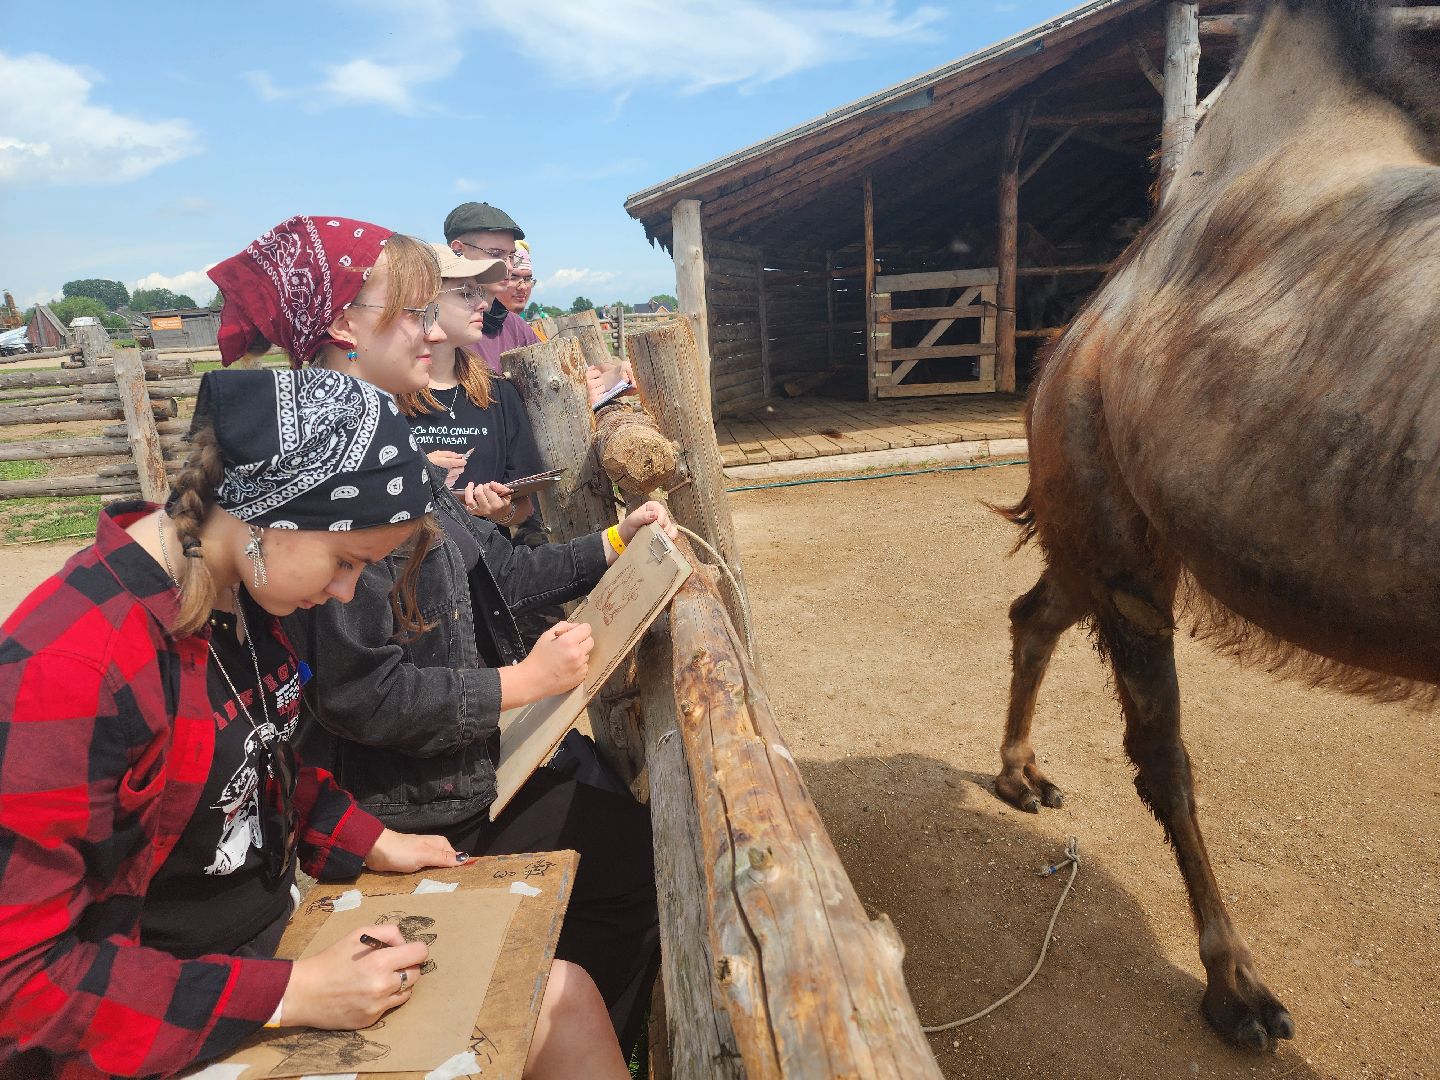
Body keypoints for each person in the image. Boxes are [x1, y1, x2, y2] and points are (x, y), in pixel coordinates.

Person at [213, 215, 663, 1064]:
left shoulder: (391, 441)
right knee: (630, 871)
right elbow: (352, 690)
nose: (434, 330)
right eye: (416, 309)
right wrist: (518, 685)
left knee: (614, 828)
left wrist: (612, 543)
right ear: (344, 325)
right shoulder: (337, 469)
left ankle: (552, 1027)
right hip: (417, 790)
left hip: (436, 779)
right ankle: (540, 1036)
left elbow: (493, 572)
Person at [0, 364, 470, 1078]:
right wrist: (292, 993)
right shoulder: (71, 670)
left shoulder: (238, 590)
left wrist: (368, 838)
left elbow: (256, 758)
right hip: (147, 1017)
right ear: (269, 513)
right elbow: (23, 990)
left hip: (257, 954)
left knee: (560, 996)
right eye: (344, 562)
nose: (344, 593)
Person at [402, 243, 545, 544]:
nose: (482, 304)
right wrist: (420, 478)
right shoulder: (388, 396)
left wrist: (500, 513)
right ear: (422, 302)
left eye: (480, 293)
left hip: (491, 572)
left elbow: (523, 506)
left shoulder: (499, 393)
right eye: (467, 293)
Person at [443, 201, 539, 373]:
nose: (509, 266)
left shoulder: (515, 325)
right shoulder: (441, 326)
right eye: (496, 254)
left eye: (510, 256)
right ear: (458, 251)